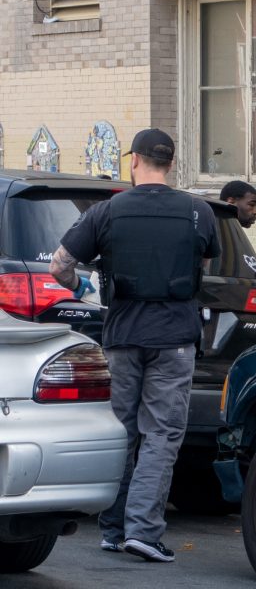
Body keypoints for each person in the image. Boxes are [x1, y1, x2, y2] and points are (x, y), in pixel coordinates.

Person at [49, 128, 220, 563]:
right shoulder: (199, 212)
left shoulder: (108, 211)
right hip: (176, 337)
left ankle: (113, 528)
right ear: (172, 164)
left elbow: (59, 265)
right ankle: (144, 530)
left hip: (123, 335)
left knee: (122, 431)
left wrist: (82, 287)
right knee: (161, 433)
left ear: (134, 161)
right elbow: (202, 266)